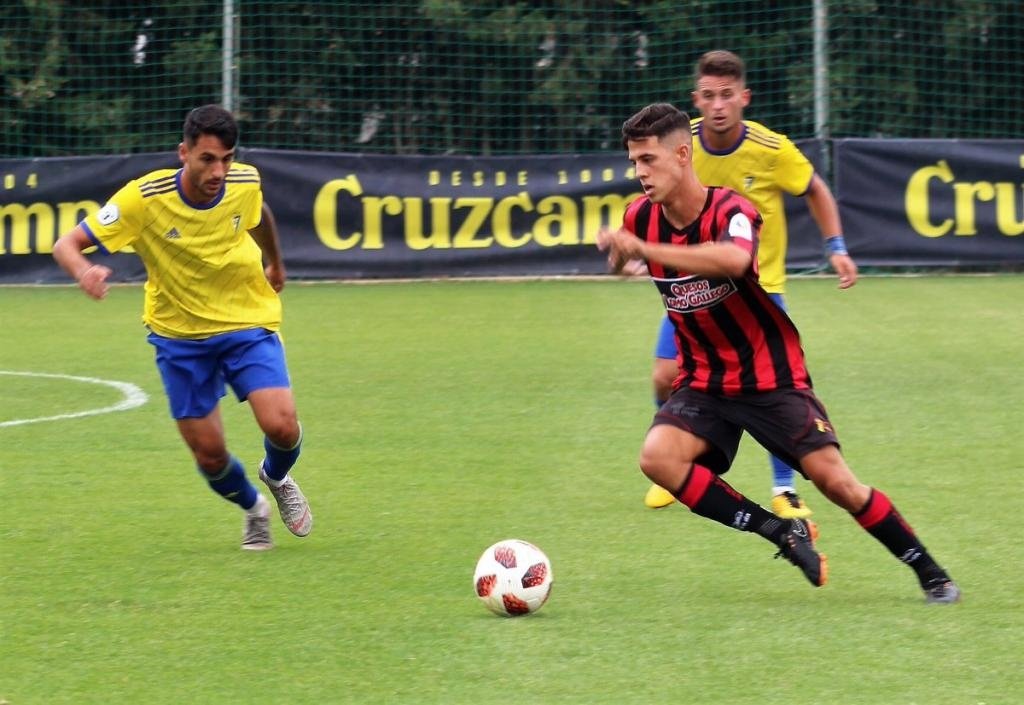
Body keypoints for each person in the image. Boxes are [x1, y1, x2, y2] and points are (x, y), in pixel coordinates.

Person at [597, 102, 959, 603]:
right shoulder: (640, 217)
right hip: (705, 380)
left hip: (771, 378)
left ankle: (930, 570)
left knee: (838, 485)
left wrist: (647, 251)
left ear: (682, 154)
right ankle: (779, 532)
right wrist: (619, 254)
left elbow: (734, 259)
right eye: (634, 161)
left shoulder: (733, 210)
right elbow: (628, 264)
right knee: (657, 458)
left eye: (649, 160)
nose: (639, 173)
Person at [52, 105, 312, 551]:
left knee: (282, 427)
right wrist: (84, 272)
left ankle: (277, 475)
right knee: (210, 457)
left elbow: (258, 215)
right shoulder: (143, 199)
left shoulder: (243, 183)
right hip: (179, 336)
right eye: (208, 159)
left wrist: (275, 260)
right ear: (183, 153)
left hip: (245, 318)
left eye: (227, 158)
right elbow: (67, 243)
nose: (219, 170)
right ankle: (254, 509)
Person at [643, 50, 859, 516]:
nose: (718, 105)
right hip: (695, 289)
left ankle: (783, 490)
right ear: (695, 99)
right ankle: (677, 467)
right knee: (664, 374)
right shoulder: (683, 145)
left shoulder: (771, 148)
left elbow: (816, 189)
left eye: (727, 95)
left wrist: (835, 246)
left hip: (760, 289)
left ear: (744, 97)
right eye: (708, 95)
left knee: (769, 392)